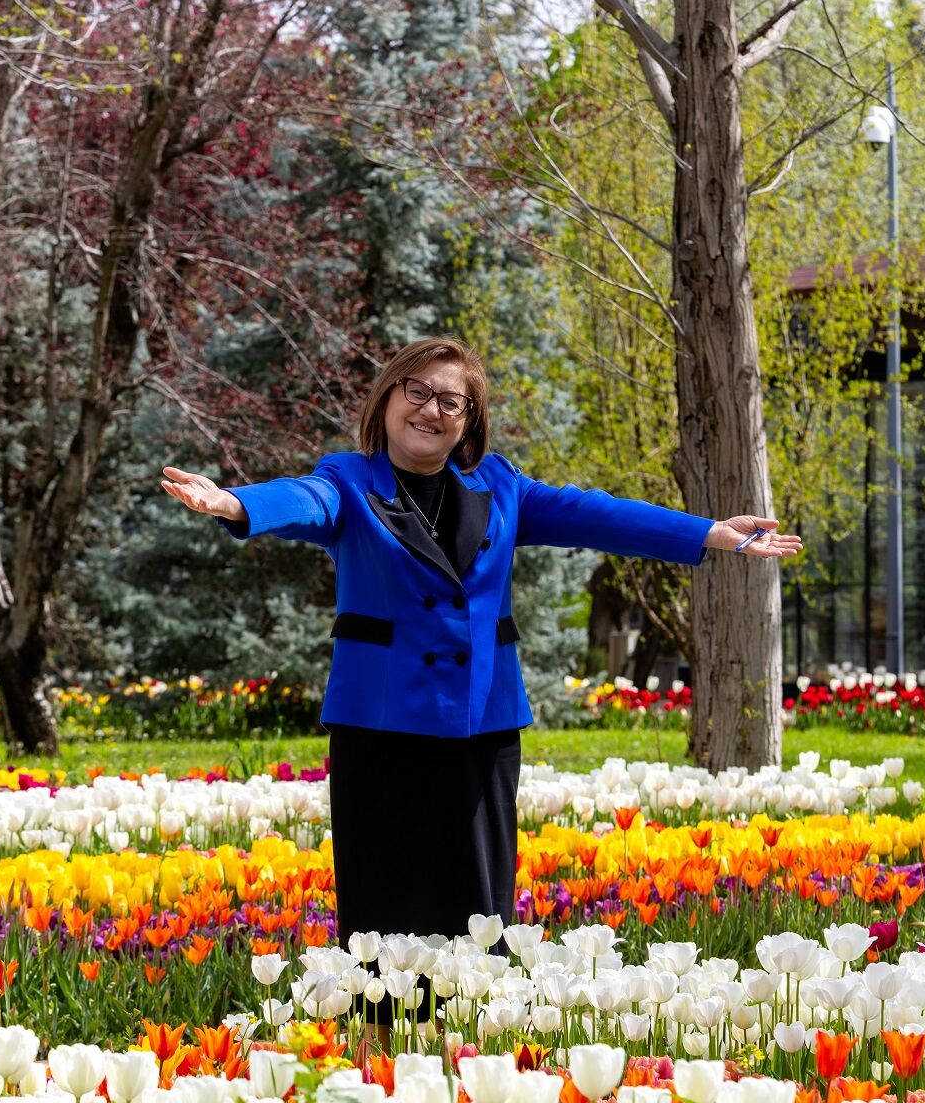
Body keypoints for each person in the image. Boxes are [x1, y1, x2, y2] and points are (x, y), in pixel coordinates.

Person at [160, 336, 800, 1048]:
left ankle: (470, 1039)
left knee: (477, 896)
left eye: (451, 401)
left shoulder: (500, 487)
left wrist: (711, 532)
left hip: (481, 726)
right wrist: (235, 503)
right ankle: (380, 1043)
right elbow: (301, 500)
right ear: (389, 397)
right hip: (380, 724)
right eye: (418, 392)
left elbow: (598, 514)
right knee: (380, 890)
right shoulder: (347, 480)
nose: (431, 410)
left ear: (469, 420)